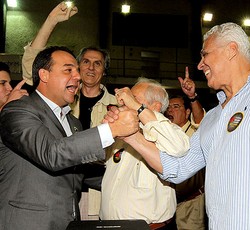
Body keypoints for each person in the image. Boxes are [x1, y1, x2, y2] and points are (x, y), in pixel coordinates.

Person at [111, 22, 250, 229]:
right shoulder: (212, 117)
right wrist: (131, 137)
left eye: (205, 54)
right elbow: (178, 167)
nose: (200, 65)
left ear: (231, 50)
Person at [0, 46, 139, 230]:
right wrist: (111, 130)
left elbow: (76, 171)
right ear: (44, 75)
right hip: (28, 222)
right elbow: (51, 154)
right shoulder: (18, 111)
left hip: (67, 222)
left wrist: (133, 179)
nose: (79, 76)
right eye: (68, 70)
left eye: (76, 70)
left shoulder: (73, 122)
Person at [21, 2, 118, 220]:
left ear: (105, 71)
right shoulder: (61, 96)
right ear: (77, 67)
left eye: (98, 64)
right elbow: (32, 67)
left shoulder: (118, 108)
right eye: (85, 62)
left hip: (97, 196)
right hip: (55, 192)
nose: (91, 68)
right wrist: (51, 22)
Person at [101, 77, 190, 229]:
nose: (125, 102)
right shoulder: (121, 132)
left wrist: (138, 109)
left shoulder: (169, 132)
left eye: (133, 98)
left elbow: (180, 148)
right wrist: (106, 129)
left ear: (155, 107)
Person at [164, 67, 206, 230]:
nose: (170, 110)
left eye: (176, 107)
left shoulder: (195, 133)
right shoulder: (166, 133)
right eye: (169, 107)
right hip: (167, 203)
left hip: (191, 204)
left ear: (187, 112)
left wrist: (192, 97)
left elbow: (201, 121)